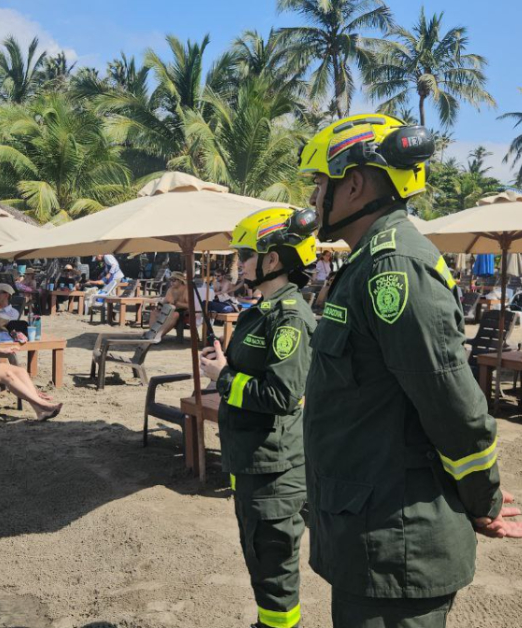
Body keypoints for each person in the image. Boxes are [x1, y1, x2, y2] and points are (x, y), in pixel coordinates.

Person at [299, 113, 522, 627]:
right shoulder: (366, 263)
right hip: (368, 531)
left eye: (320, 184)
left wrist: (484, 499)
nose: (314, 199)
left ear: (354, 184)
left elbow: (452, 404)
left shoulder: (394, 267)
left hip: (395, 545)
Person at [199, 207, 318, 628]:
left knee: (274, 569)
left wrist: (223, 377)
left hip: (274, 470)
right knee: (260, 559)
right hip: (251, 460)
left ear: (273, 260)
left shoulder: (290, 317)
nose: (239, 263)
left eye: (246, 255)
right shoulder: (260, 311)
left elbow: (282, 394)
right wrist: (224, 362)